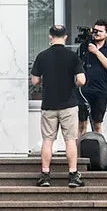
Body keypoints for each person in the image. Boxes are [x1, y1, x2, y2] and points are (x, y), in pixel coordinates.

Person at [30, 24, 87, 188]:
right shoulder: (72, 56)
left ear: (50, 37)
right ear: (65, 37)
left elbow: (35, 81)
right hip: (69, 104)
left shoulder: (42, 56)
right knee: (70, 140)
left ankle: (45, 175)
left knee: (47, 141)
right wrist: (74, 84)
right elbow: (81, 80)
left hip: (49, 105)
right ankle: (73, 175)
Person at [78, 19, 107, 136]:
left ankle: (98, 146)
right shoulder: (84, 47)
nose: (97, 33)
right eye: (95, 31)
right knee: (81, 124)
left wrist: (96, 52)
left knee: (97, 124)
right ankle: (79, 146)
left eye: (100, 31)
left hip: (100, 90)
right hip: (84, 90)